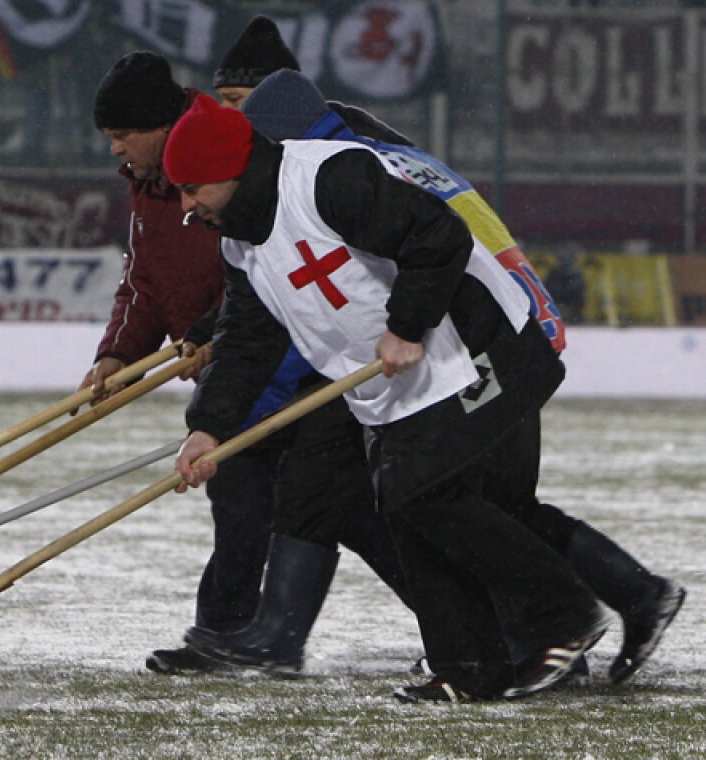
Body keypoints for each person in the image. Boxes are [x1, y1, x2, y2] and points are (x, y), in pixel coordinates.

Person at [237, 65, 684, 686]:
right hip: (505, 327)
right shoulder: (388, 152)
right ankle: (622, 601)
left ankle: (551, 629)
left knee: (440, 499)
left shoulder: (334, 170)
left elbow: (381, 279)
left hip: (475, 343)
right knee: (489, 507)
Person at [166, 93, 611, 702]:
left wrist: (405, 325)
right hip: (398, 381)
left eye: (193, 189)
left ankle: (564, 616)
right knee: (401, 505)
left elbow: (439, 237)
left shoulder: (330, 176)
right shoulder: (239, 241)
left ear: (232, 170)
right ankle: (469, 669)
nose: (187, 207)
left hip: (480, 345)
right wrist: (208, 427)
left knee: (427, 493)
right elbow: (246, 339)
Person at [79, 51, 410, 677]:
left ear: (157, 126)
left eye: (123, 135)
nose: (116, 150)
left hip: (287, 367)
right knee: (258, 508)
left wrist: (218, 342)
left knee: (340, 511)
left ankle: (470, 621)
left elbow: (261, 279)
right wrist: (120, 352)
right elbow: (145, 279)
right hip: (234, 368)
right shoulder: (152, 181)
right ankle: (231, 634)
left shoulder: (223, 163)